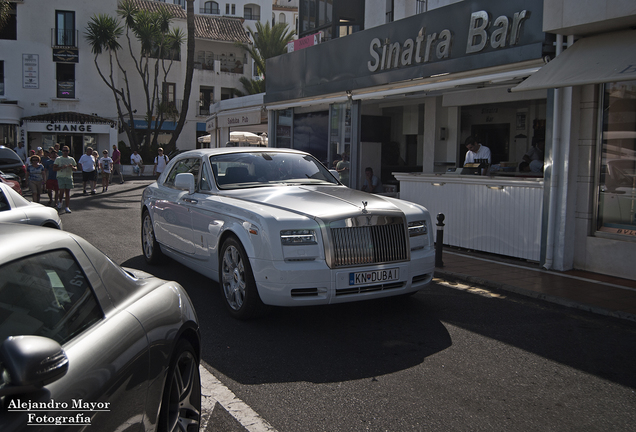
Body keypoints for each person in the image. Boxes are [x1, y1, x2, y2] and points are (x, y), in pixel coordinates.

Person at [53, 146, 77, 213]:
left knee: (67, 192)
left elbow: (75, 168)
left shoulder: (71, 159)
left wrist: (72, 167)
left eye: (66, 151)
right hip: (61, 177)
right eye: (64, 151)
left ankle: (67, 206)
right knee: (61, 191)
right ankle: (60, 202)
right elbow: (54, 168)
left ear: (68, 151)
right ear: (62, 151)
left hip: (68, 177)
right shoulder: (58, 159)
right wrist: (61, 167)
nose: (65, 152)